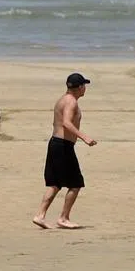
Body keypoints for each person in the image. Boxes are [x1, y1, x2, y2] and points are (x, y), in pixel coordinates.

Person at [32, 73, 96, 229]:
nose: (85, 88)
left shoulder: (62, 99)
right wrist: (84, 137)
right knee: (76, 183)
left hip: (55, 144)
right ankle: (64, 218)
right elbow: (66, 123)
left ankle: (40, 216)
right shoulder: (71, 102)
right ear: (80, 87)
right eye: (84, 85)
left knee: (54, 183)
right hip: (63, 146)